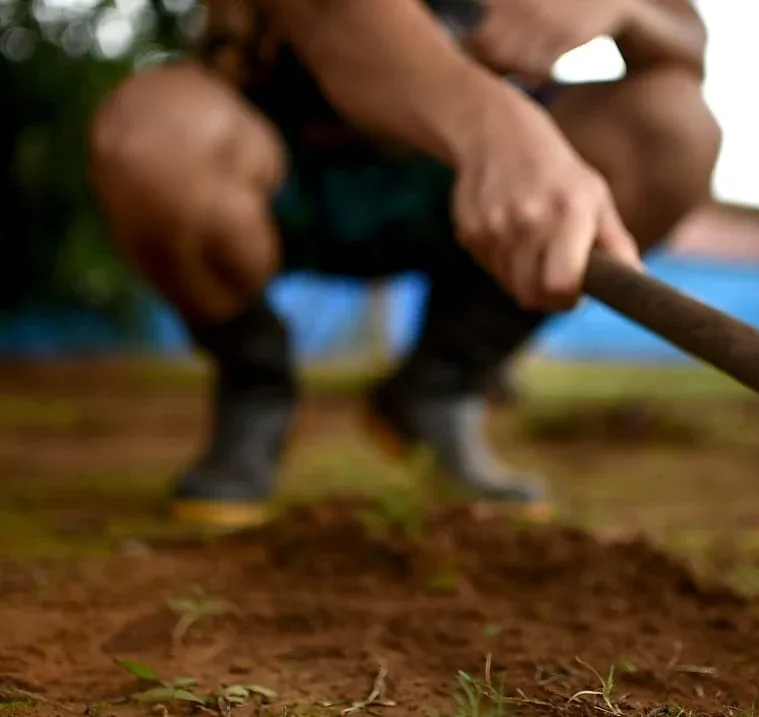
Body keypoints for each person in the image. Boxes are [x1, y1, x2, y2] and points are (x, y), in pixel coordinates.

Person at [86, 0, 721, 529]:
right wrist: (497, 130)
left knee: (671, 126)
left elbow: (684, 38)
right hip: (279, 166)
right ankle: (257, 386)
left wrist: (622, 6)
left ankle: (439, 387)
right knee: (154, 132)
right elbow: (332, 17)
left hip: (456, 191)